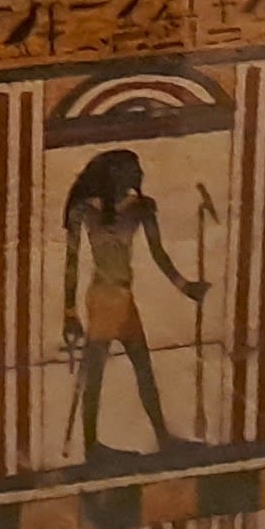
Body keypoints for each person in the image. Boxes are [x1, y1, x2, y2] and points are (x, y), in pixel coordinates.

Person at [59, 149, 204, 460]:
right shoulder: (86, 210)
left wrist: (186, 286)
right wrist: (69, 312)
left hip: (124, 298)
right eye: (133, 168)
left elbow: (159, 254)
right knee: (97, 372)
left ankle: (162, 438)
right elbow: (71, 263)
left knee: (142, 369)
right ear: (116, 175)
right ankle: (93, 446)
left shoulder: (140, 209)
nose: (140, 174)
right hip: (104, 299)